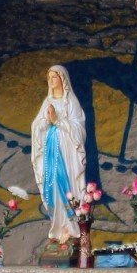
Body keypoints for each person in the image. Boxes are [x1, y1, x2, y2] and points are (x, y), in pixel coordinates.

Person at [28, 64, 87, 243]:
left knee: (65, 185)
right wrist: (46, 122)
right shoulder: (48, 102)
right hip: (50, 152)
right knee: (51, 186)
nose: (51, 80)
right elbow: (36, 126)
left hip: (66, 154)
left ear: (62, 79)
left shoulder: (71, 102)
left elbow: (79, 129)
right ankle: (58, 225)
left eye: (54, 77)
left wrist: (58, 120)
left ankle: (70, 227)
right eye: (49, 77)